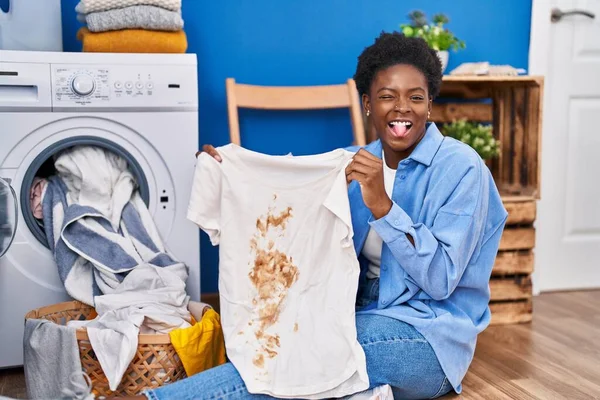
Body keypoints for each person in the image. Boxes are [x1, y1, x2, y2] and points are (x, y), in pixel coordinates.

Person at [127, 32, 507, 400]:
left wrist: (383, 207)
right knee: (281, 352)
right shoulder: (350, 161)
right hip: (353, 311)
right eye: (387, 96)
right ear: (368, 103)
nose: (402, 108)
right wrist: (230, 171)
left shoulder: (461, 169)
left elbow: (441, 280)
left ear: (429, 105)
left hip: (428, 336)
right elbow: (287, 188)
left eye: (416, 98)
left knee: (302, 356)